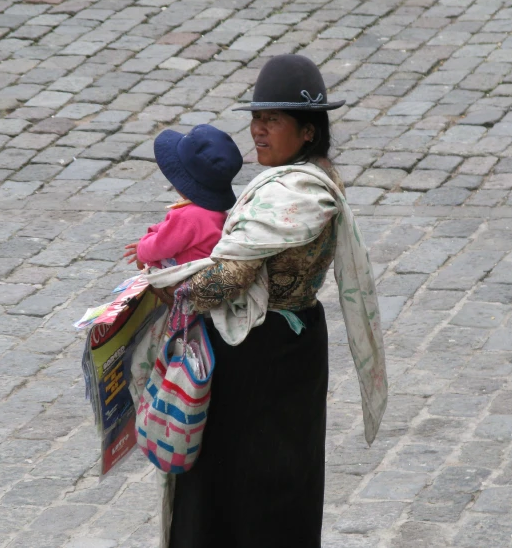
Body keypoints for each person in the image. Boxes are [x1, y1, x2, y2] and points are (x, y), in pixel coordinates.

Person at [144, 54, 387, 548]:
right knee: (282, 487)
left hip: (255, 361)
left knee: (234, 493)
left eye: (272, 120)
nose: (257, 131)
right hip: (293, 349)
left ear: (307, 133)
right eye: (256, 118)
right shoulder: (316, 179)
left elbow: (232, 277)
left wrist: (170, 291)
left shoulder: (293, 195)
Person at [123, 124, 243, 269]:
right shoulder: (214, 212)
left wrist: (142, 250)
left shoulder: (189, 216)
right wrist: (154, 234)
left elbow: (161, 246)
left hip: (183, 281)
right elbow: (170, 230)